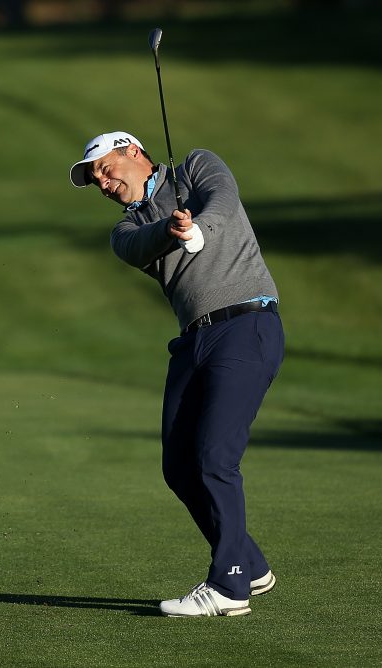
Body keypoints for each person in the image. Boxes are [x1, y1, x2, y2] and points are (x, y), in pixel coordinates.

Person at [69, 131, 285, 617]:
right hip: (193, 341)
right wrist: (171, 227)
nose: (102, 183)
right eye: (94, 179)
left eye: (105, 169)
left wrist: (199, 226)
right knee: (179, 466)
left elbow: (224, 200)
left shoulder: (195, 166)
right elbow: (140, 245)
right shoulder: (126, 231)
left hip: (247, 323)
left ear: (133, 152)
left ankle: (229, 586)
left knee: (214, 457)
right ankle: (249, 564)